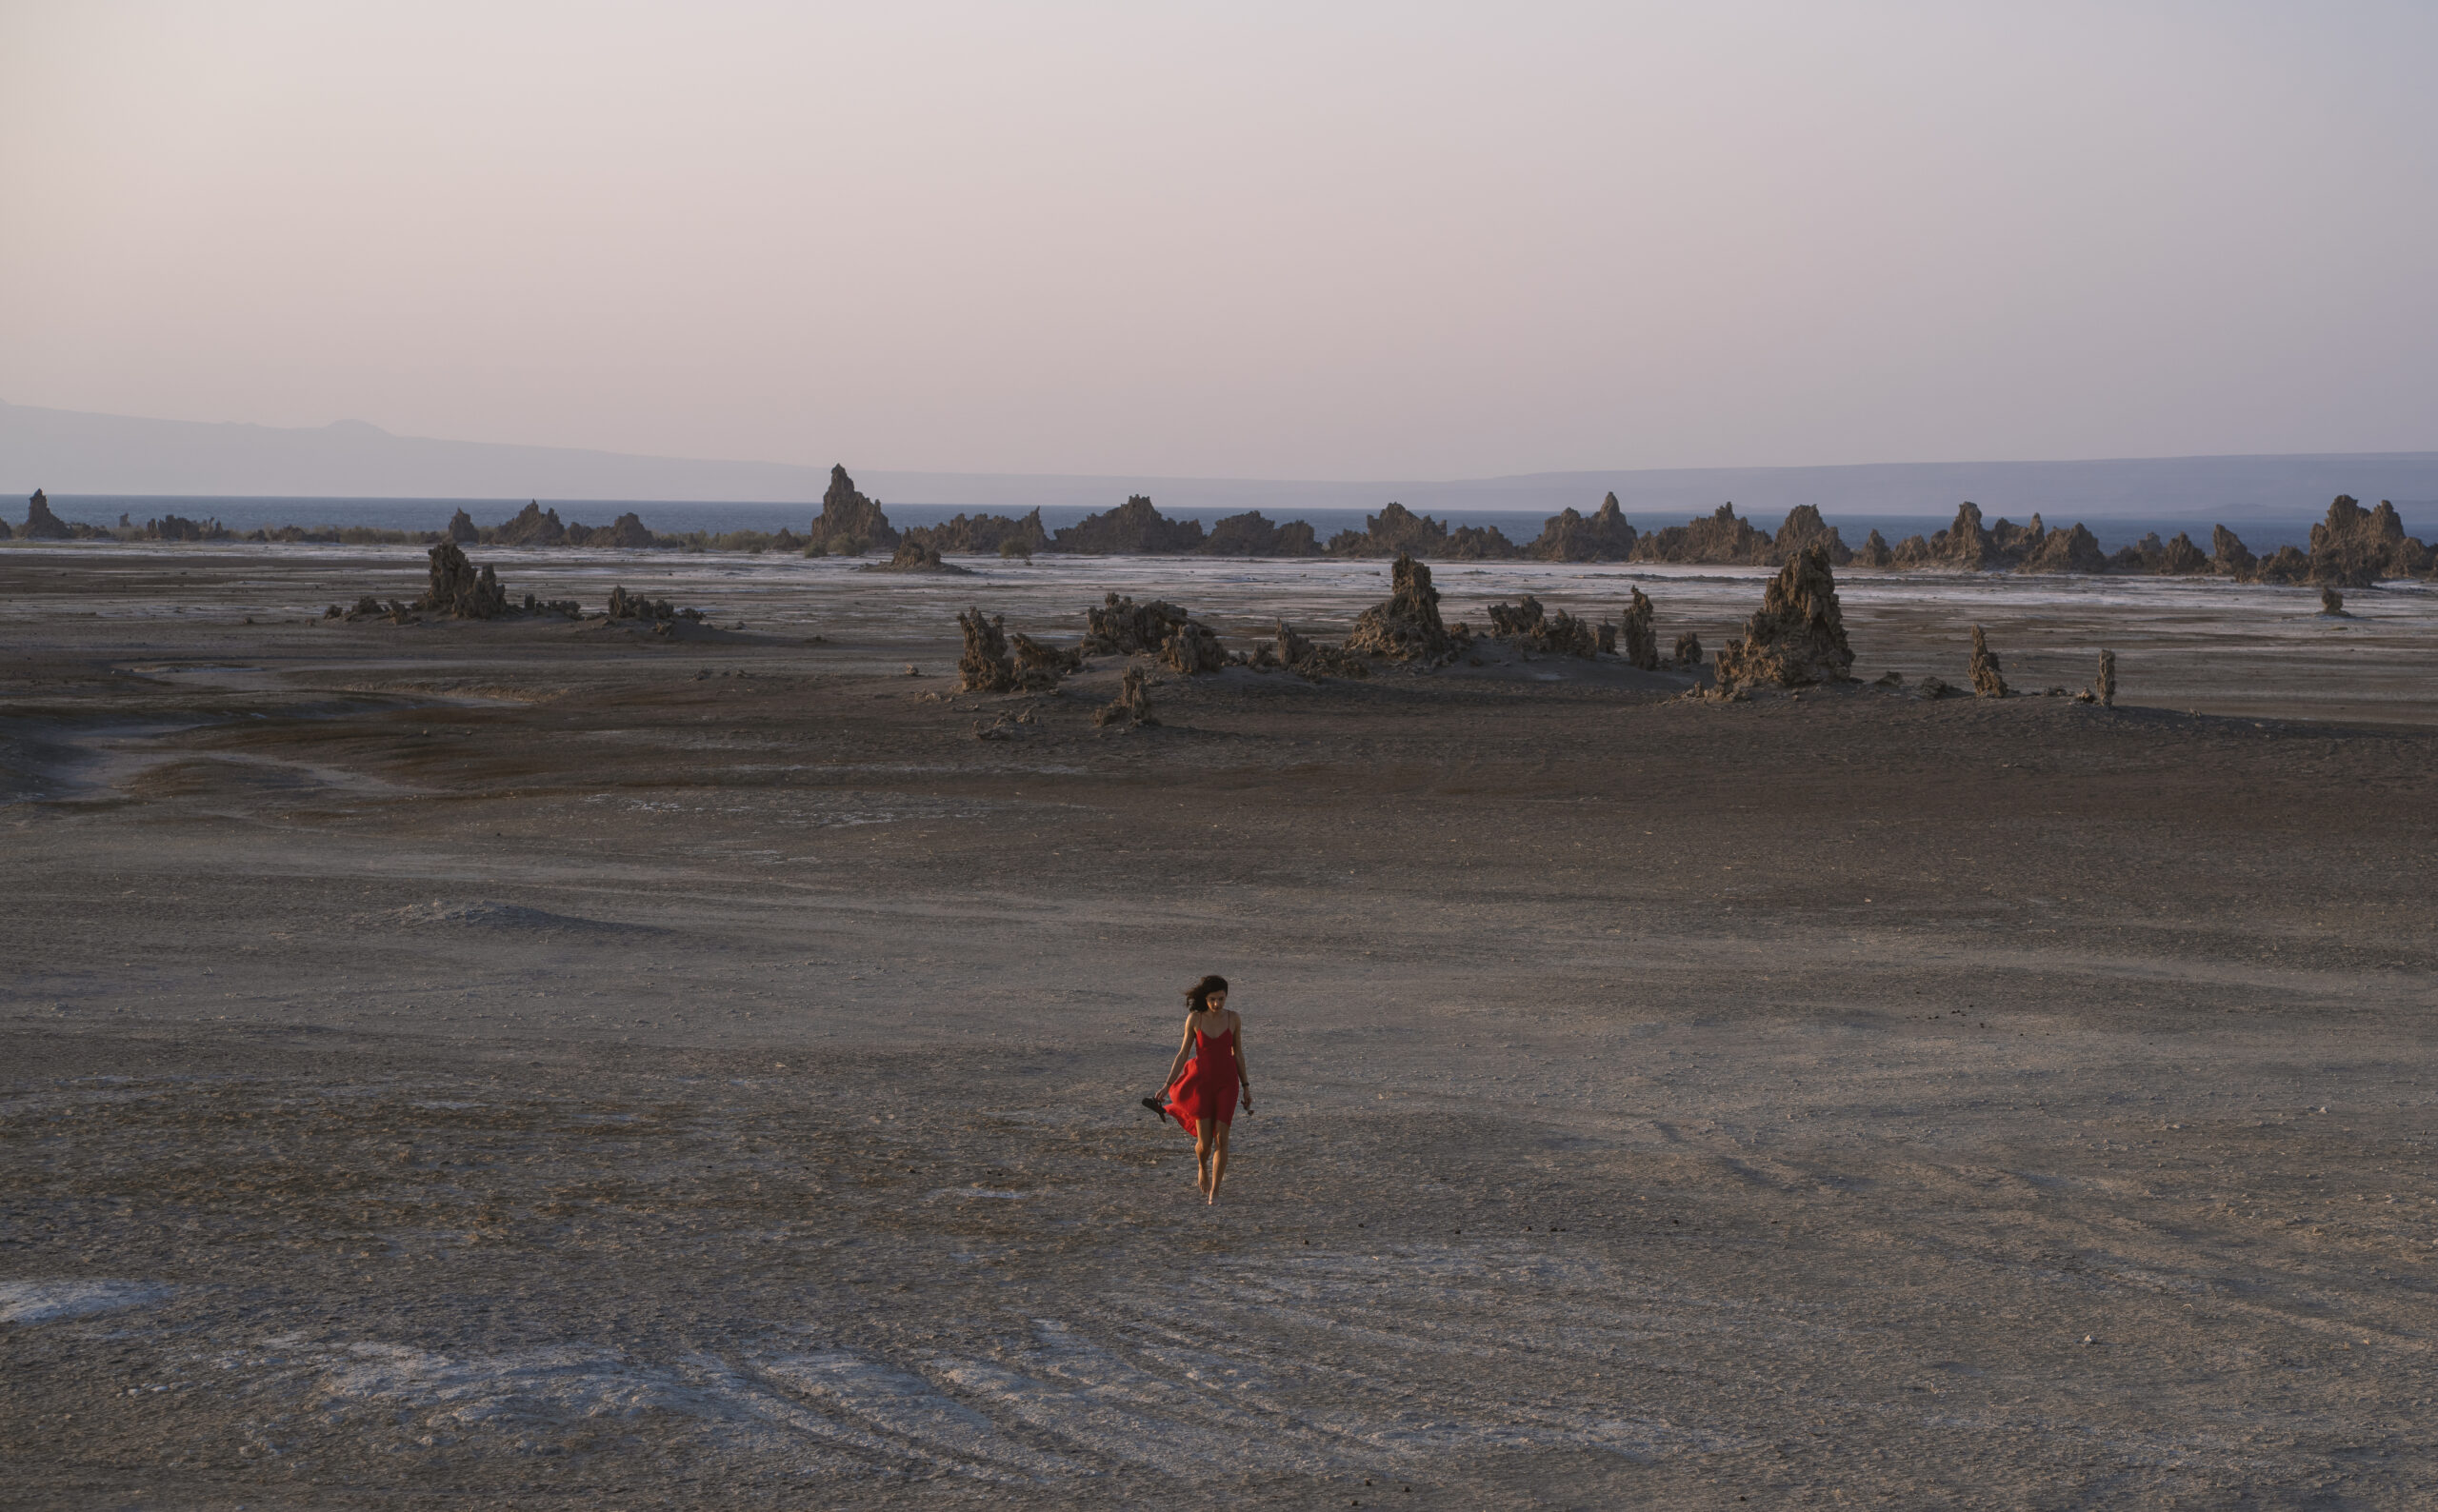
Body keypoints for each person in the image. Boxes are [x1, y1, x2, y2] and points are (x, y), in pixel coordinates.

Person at [1142, 974, 1251, 1204]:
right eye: (1212, 999)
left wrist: (1246, 1086)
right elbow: (1182, 1054)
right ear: (1205, 998)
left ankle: (1216, 1191)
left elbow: (1238, 1054)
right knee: (1205, 1145)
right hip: (1201, 1084)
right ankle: (1202, 1166)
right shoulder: (1195, 1019)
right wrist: (1166, 1085)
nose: (1216, 1004)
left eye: (1221, 999)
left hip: (1227, 1083)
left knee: (1223, 1138)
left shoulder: (1234, 1019)